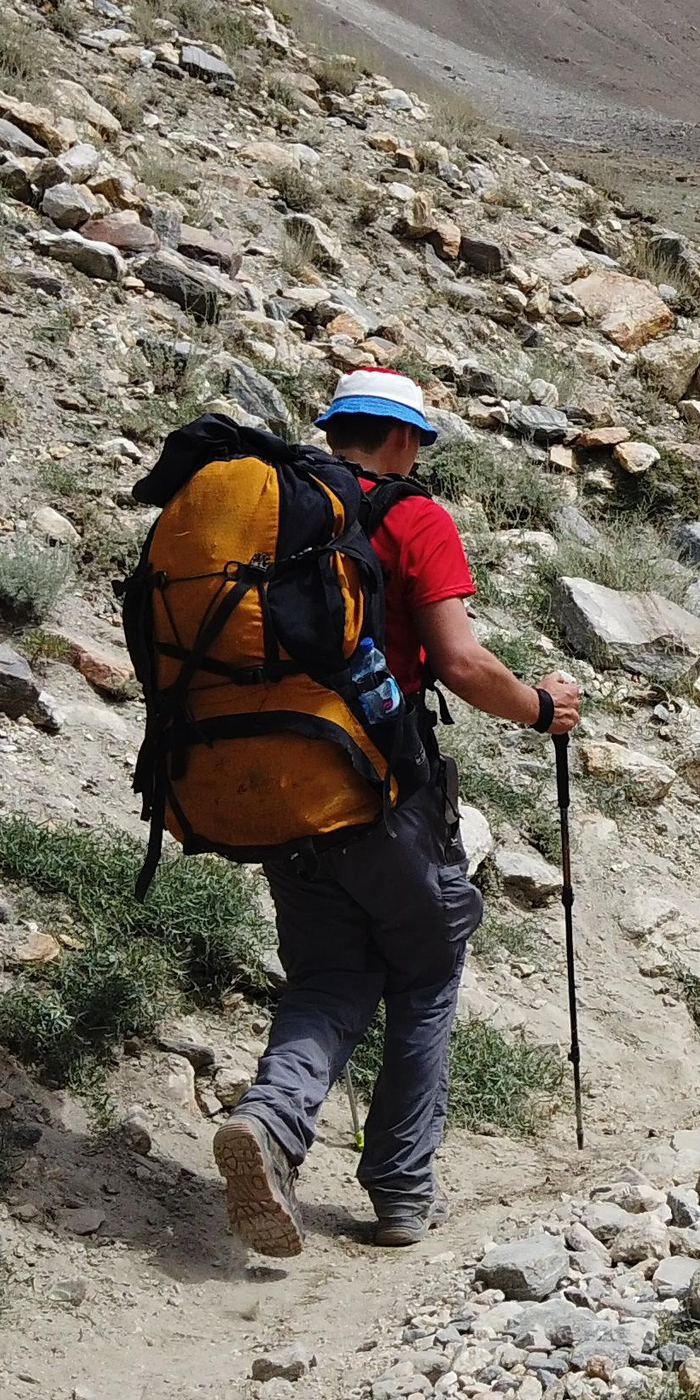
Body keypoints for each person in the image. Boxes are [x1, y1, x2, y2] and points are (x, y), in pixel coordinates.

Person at [211, 369, 579, 1253]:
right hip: (381, 792)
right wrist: (541, 704)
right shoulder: (416, 517)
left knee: (331, 979)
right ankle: (402, 1191)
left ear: (337, 430)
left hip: (278, 785)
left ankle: (270, 1123)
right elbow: (457, 660)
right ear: (406, 441)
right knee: (424, 970)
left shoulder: (269, 507)